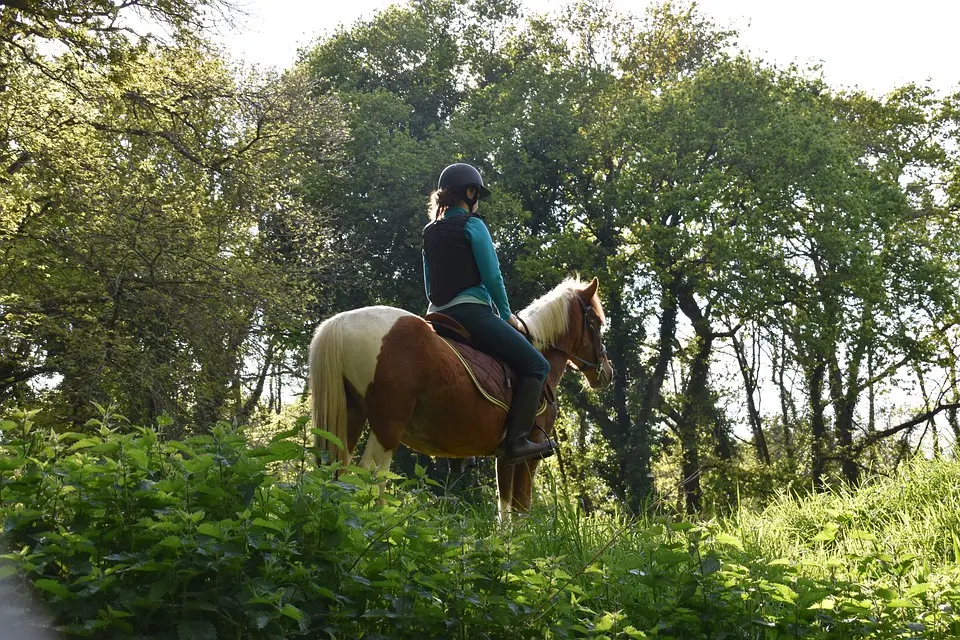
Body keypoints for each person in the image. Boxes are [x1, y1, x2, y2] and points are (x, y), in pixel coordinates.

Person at [421, 162, 555, 464]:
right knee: (537, 366)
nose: (478, 200)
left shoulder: (430, 232)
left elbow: (429, 285)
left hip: (436, 317)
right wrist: (506, 315)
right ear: (469, 193)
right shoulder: (473, 225)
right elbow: (493, 276)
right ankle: (517, 442)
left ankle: (460, 450)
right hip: (471, 313)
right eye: (477, 194)